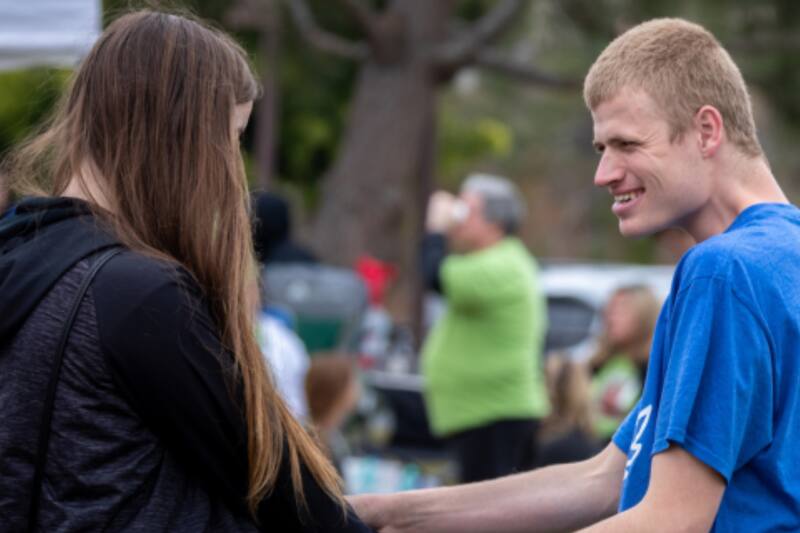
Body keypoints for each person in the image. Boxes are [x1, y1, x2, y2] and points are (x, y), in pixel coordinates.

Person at [350, 18, 800, 532]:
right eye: (600, 149)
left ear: (706, 130)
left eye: (627, 145)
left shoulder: (722, 272)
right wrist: (385, 513)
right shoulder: (781, 258)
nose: (603, 174)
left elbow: (671, 520)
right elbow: (607, 478)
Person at [0, 11, 371, 532]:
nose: (231, 168)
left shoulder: (22, 252)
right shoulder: (135, 294)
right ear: (183, 133)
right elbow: (283, 493)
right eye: (231, 137)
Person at [420, 173, 550, 483]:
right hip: (483, 412)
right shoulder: (493, 261)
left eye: (467, 211)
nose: (458, 220)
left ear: (495, 221)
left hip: (496, 414)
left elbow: (435, 275)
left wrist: (435, 229)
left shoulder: (503, 264)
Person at [588, 284, 659, 441]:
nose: (611, 318)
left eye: (621, 311)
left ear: (644, 316)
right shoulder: (598, 363)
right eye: (610, 310)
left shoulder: (652, 369)